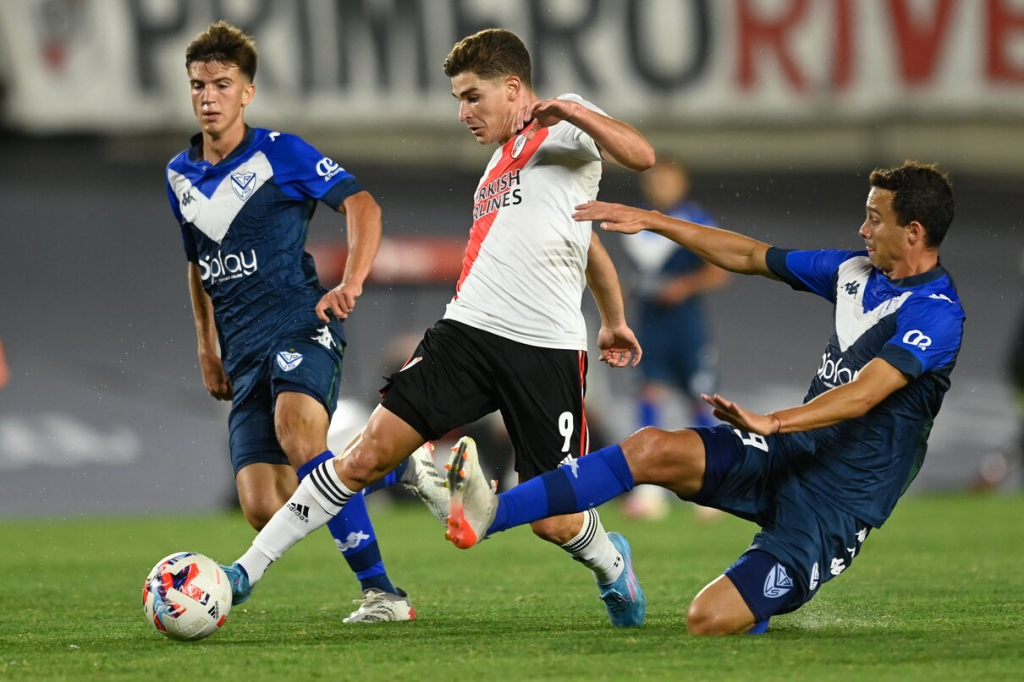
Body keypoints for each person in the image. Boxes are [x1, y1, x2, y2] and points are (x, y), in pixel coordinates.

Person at [221, 28, 654, 628]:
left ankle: (612, 563)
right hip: (466, 333)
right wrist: (612, 318)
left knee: (556, 518)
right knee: (365, 453)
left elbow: (642, 155)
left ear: (513, 87)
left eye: (473, 96)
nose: (462, 113)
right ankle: (243, 574)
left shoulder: (567, 128)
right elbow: (586, 247)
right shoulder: (494, 173)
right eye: (458, 99)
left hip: (546, 349)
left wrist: (571, 109)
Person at [443, 161, 964, 635]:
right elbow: (747, 254)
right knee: (650, 446)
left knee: (708, 619)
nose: (862, 229)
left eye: (874, 219)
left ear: (913, 231)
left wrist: (777, 422)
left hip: (836, 501)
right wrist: (656, 221)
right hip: (783, 453)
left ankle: (753, 607)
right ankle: (488, 516)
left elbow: (865, 393)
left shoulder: (937, 314)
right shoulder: (852, 272)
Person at [165, 21, 448, 625]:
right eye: (197, 85)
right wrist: (205, 344)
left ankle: (383, 595)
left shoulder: (281, 152)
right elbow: (198, 265)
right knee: (266, 507)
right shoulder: (178, 176)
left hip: (299, 325)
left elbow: (363, 205)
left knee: (300, 436)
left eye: (221, 84)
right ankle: (395, 466)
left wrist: (352, 282)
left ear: (248, 92)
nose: (208, 96)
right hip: (239, 353)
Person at [619, 157, 729, 520]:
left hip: (686, 323)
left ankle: (712, 484)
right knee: (648, 393)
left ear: (682, 183)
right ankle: (649, 490)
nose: (660, 187)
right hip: (649, 323)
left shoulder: (696, 221)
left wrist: (684, 286)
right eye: (655, 181)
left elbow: (719, 271)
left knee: (698, 397)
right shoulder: (637, 223)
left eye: (668, 181)